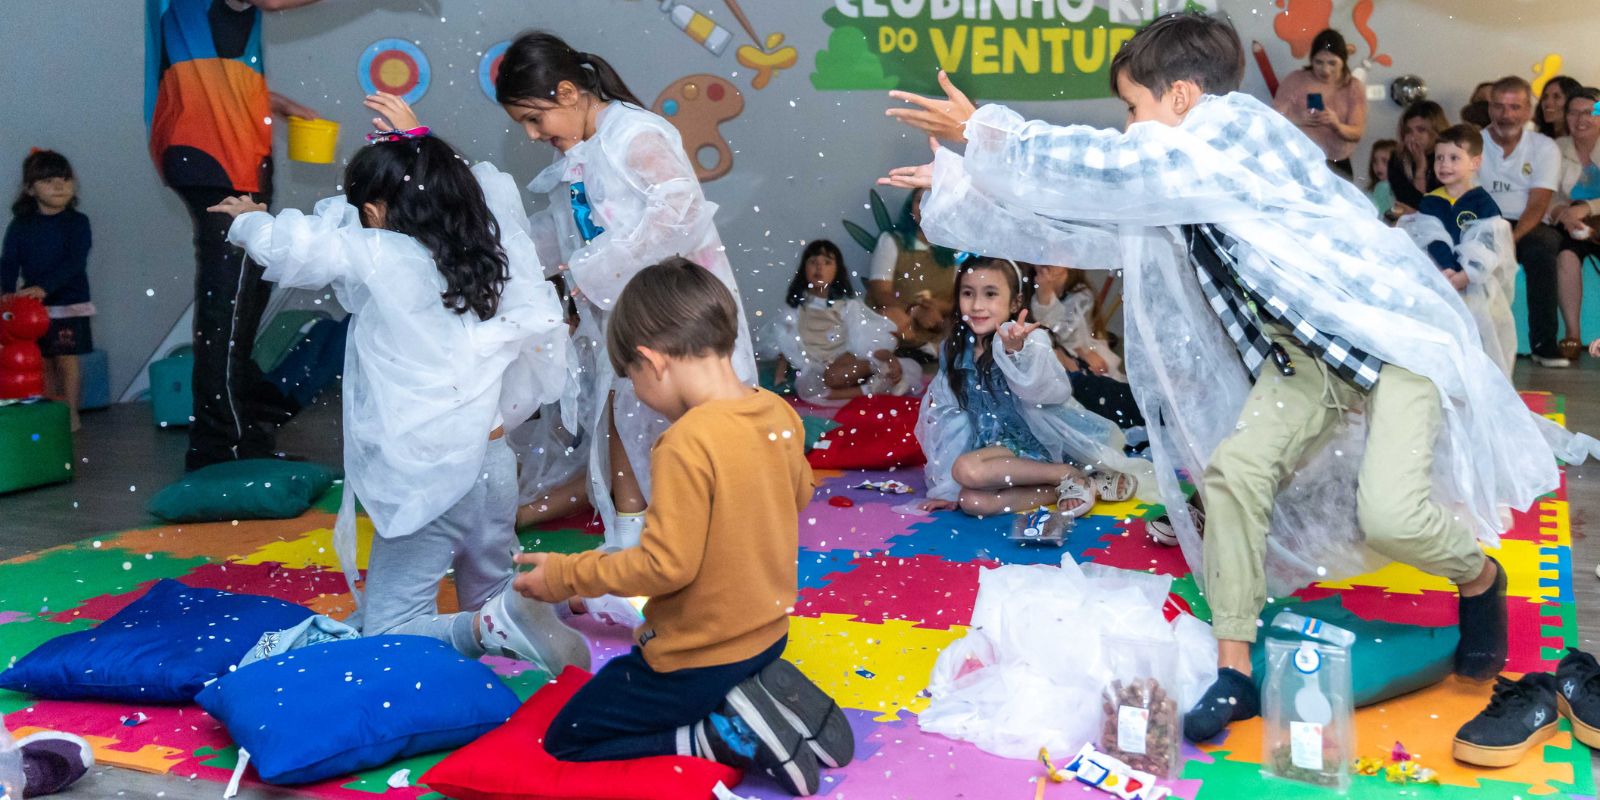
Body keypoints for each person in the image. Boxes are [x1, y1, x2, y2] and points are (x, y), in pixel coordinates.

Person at [882, 11, 1595, 745]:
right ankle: (1234, 670)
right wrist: (966, 188)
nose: (1130, 127)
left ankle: (1478, 579)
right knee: (1233, 476)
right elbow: (1088, 226)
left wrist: (992, 133)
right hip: (1303, 358)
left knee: (1390, 512)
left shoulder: (1236, 136)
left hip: (1383, 341)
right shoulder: (1180, 177)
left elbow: (1115, 170)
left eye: (1135, 109)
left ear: (1184, 98)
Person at [209, 125, 588, 674]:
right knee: (492, 585)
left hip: (433, 470)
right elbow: (483, 185)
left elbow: (292, 247)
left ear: (379, 211)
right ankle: (555, 608)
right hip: (493, 461)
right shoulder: (485, 251)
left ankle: (489, 629)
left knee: (389, 628)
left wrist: (245, 217)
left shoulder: (383, 254)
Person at [512, 259, 851, 797]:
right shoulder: (777, 413)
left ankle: (714, 737)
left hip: (696, 656)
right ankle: (754, 688)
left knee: (567, 736)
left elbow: (664, 567)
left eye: (632, 380)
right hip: (768, 634)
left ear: (651, 362)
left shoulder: (687, 442)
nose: (638, 395)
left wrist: (565, 575)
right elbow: (799, 493)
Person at [496, 31, 757, 552]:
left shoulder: (634, 135)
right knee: (624, 420)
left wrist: (592, 264)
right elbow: (559, 231)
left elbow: (678, 210)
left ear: (568, 93)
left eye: (533, 118)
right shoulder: (582, 152)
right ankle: (630, 541)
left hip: (678, 312)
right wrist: (498, 255)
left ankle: (721, 544)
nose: (530, 134)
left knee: (698, 426)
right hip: (629, 319)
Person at [146, 0, 322, 470]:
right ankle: (220, 444)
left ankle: (241, 431)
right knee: (228, 305)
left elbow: (215, 68)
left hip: (223, 153)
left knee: (243, 300)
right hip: (214, 154)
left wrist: (275, 103)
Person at [914, 257, 1148, 519]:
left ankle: (1066, 472)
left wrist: (1016, 354)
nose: (977, 305)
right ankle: (1081, 484)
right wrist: (946, 491)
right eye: (968, 293)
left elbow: (1048, 393)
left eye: (991, 294)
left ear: (1015, 302)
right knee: (971, 501)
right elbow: (949, 419)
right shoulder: (955, 349)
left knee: (966, 470)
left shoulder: (1029, 340)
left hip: (1038, 446)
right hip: (998, 454)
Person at [1401, 124, 1517, 375]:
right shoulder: (1432, 201)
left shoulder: (1483, 203)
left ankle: (1482, 383)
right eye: (1440, 158)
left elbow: (1487, 245)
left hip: (1475, 285)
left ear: (1475, 163)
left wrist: (1465, 275)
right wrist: (1448, 273)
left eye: (1454, 158)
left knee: (1479, 337)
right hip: (1440, 279)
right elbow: (1432, 237)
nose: (1444, 165)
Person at [764, 239, 921, 405]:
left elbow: (864, 338)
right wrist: (779, 376)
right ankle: (869, 389)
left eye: (827, 263)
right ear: (804, 269)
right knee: (807, 391)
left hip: (843, 360)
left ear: (837, 270)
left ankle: (880, 368)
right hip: (815, 365)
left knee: (832, 377)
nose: (819, 268)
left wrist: (887, 357)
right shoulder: (796, 308)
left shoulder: (846, 306)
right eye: (813, 262)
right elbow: (785, 342)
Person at [2, 151, 93, 430]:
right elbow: (8, 261)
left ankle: (71, 413)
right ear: (30, 189)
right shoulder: (20, 226)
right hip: (32, 310)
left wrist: (45, 287)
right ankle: (52, 410)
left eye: (65, 180)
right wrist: (5, 292)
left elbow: (75, 262)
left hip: (69, 303)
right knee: (42, 360)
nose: (59, 186)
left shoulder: (78, 222)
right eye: (49, 181)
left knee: (66, 358)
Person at [1482, 76, 1568, 366]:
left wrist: (1510, 238)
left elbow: (1538, 203)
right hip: (1484, 222)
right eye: (1499, 106)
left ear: (1528, 110)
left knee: (1543, 249)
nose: (1506, 115)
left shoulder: (1544, 148)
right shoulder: (1473, 144)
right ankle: (1475, 344)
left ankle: (1544, 344)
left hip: (1528, 225)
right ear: (1489, 108)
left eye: (1515, 107)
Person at [1029, 264, 1145, 429]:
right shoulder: (1036, 286)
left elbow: (1064, 330)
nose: (1046, 265)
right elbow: (1044, 325)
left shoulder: (1081, 294)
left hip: (1084, 350)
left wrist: (1045, 294)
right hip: (1060, 351)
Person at [865, 188, 958, 352]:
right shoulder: (892, 241)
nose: (923, 206)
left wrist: (936, 309)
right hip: (894, 340)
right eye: (918, 200)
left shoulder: (955, 251)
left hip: (939, 341)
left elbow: (960, 300)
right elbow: (880, 292)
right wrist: (914, 311)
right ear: (910, 207)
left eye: (930, 200)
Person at [1271, 28, 1367, 177]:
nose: (1325, 70)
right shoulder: (1296, 80)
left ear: (1343, 61)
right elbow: (1272, 120)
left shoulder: (1353, 87)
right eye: (1319, 62)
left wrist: (1337, 125)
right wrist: (1297, 119)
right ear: (1311, 60)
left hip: (1336, 164)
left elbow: (1357, 133)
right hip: (1298, 161)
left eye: (1332, 63)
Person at [1550, 88, 1600, 362]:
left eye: (1589, 113)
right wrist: (1563, 213)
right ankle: (1572, 334)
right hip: (1567, 221)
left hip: (1594, 216)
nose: (1581, 119)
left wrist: (1587, 208)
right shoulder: (1555, 148)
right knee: (1566, 255)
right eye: (1573, 112)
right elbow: (1544, 193)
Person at [1389, 100, 1449, 215]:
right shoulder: (1398, 159)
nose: (1413, 136)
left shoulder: (1449, 159)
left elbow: (1438, 207)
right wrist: (1420, 169)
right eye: (1408, 131)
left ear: (1436, 131)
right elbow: (1410, 203)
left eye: (1421, 130)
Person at [1537, 76, 1585, 140]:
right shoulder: (1540, 139)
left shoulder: (1586, 142)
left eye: (1556, 97)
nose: (1548, 102)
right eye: (1545, 97)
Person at [1366, 138, 1398, 220]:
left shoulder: (1384, 187)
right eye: (1375, 161)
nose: (1379, 166)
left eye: (1385, 161)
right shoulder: (1374, 189)